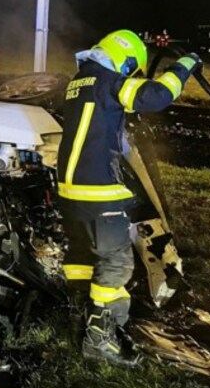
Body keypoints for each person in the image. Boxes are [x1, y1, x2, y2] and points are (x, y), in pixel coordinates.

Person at [57, 29, 201, 366]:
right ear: (124, 59)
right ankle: (100, 341)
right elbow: (156, 96)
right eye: (132, 68)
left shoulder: (79, 81)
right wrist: (186, 64)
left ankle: (78, 316)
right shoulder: (109, 80)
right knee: (116, 262)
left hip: (70, 190)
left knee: (82, 254)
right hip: (98, 191)